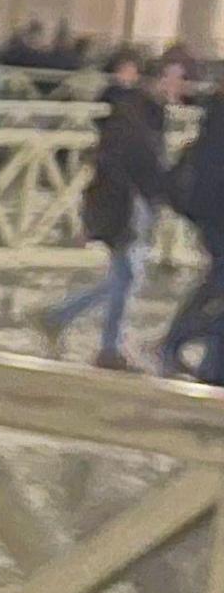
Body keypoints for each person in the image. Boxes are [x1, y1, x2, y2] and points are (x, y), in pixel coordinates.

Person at [45, 53, 177, 370]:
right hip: (128, 204)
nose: (178, 86)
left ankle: (65, 316)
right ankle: (104, 345)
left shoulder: (136, 111)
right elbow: (143, 163)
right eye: (173, 78)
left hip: (125, 202)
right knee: (127, 276)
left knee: (124, 277)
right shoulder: (140, 113)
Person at [163, 85, 224, 385]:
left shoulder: (211, 119)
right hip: (217, 216)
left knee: (216, 285)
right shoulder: (217, 126)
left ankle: (212, 367)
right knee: (217, 285)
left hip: (209, 216)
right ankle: (178, 339)